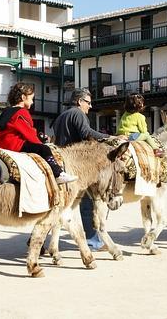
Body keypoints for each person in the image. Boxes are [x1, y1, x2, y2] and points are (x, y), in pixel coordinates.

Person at [52, 88, 113, 250]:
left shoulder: (62, 115)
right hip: (76, 165)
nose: (90, 106)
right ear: (80, 101)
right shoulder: (78, 114)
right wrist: (109, 138)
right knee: (87, 204)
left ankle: (42, 242)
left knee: (60, 206)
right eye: (88, 102)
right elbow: (86, 133)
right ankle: (94, 241)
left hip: (62, 163)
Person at [0, 82, 77, 184]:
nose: (32, 102)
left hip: (3, 145)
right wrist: (40, 144)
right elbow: (28, 133)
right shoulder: (21, 112)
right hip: (15, 145)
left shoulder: (6, 112)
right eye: (31, 99)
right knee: (45, 149)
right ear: (23, 97)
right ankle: (58, 174)